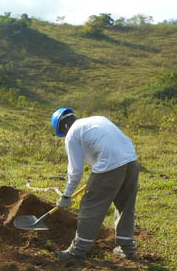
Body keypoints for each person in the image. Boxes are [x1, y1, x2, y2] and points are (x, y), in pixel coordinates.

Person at [50, 108, 139, 260]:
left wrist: (66, 195)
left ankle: (77, 251)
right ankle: (127, 248)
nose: (65, 135)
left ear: (63, 127)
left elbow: (76, 171)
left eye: (63, 133)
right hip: (131, 162)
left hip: (111, 166)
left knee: (90, 205)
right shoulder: (96, 119)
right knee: (125, 206)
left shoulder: (72, 133)